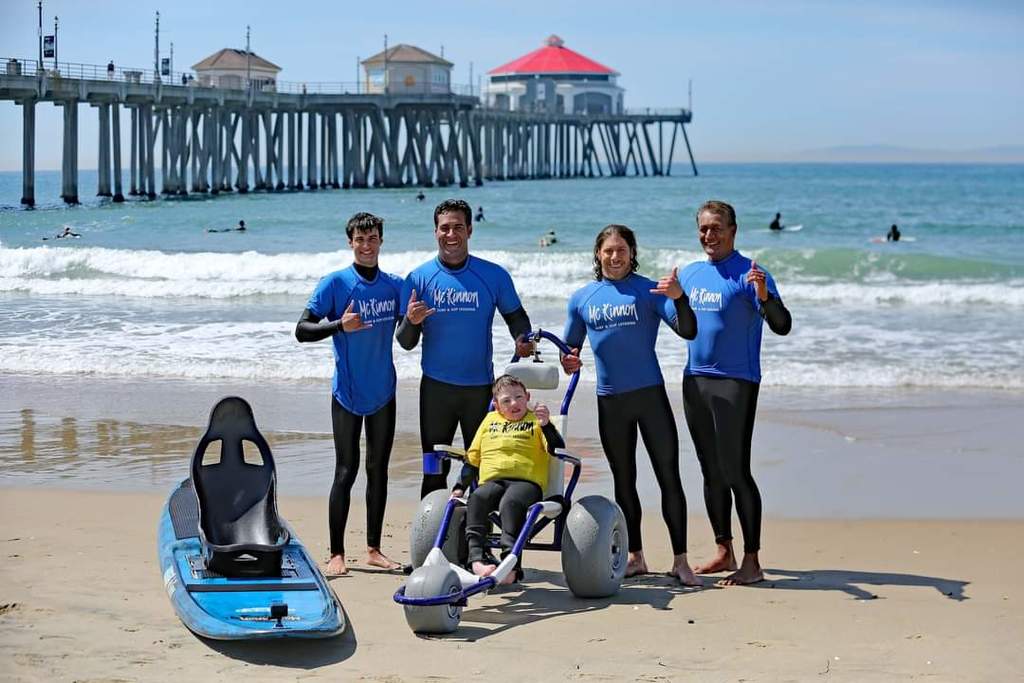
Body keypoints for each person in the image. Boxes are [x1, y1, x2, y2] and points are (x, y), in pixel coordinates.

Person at [560, 224, 701, 586]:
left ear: (632, 253)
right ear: (598, 254)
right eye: (608, 250)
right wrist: (568, 361)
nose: (615, 256)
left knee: (668, 476)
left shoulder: (650, 291)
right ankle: (635, 556)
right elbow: (569, 349)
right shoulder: (582, 299)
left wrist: (680, 298)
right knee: (624, 480)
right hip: (611, 401)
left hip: (650, 397)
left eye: (621, 250)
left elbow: (688, 330)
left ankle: (681, 561)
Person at [679, 200, 792, 586]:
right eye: (703, 228)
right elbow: (676, 319)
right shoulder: (690, 274)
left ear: (733, 231)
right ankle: (723, 550)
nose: (709, 235)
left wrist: (764, 296)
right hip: (695, 381)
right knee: (710, 470)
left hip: (735, 382)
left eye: (716, 228)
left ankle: (752, 560)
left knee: (735, 470)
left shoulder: (751, 273)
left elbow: (782, 325)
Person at [397, 199, 535, 498]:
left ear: (470, 230)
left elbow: (517, 318)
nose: (451, 234)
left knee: (484, 469)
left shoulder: (493, 275)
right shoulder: (418, 279)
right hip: (436, 390)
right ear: (435, 232)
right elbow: (405, 342)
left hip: (480, 390)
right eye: (445, 228)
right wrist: (411, 321)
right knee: (433, 469)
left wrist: (522, 339)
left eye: (458, 227)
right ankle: (432, 526)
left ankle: (476, 527)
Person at [295, 212, 405, 576]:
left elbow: (409, 331)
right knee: (346, 470)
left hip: (383, 390)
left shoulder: (394, 286)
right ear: (350, 242)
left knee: (378, 470)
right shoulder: (335, 283)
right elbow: (302, 330)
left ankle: (374, 549)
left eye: (372, 238)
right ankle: (337, 554)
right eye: (360, 239)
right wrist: (339, 324)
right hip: (346, 392)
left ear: (381, 241)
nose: (366, 245)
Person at [452, 374, 565, 585]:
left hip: (526, 483)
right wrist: (460, 486)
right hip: (493, 481)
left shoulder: (536, 421)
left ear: (527, 397)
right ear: (496, 405)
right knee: (477, 497)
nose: (514, 403)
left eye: (519, 397)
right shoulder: (489, 421)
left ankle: (510, 567)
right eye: (506, 400)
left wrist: (546, 425)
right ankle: (476, 560)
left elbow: (557, 449)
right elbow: (473, 457)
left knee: (510, 502)